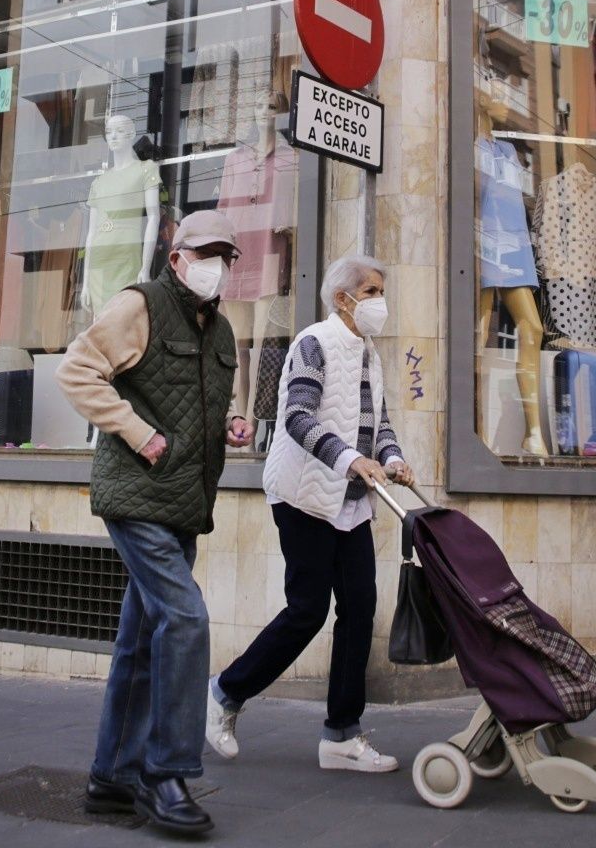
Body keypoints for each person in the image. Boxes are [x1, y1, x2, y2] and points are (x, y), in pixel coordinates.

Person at [58, 209, 255, 836]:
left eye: (225, 255)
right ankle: (164, 774)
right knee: (185, 617)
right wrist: (141, 436)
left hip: (184, 504)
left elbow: (194, 402)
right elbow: (76, 371)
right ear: (176, 257)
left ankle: (111, 777)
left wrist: (229, 425)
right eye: (204, 253)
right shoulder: (138, 305)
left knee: (142, 639)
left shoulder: (221, 331)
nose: (214, 265)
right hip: (137, 495)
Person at [205, 255, 415, 773]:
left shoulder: (370, 354)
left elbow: (377, 421)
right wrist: (351, 459)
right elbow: (296, 417)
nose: (378, 302)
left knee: (360, 608)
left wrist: (391, 458)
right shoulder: (313, 343)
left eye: (379, 291)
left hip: (348, 501)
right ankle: (225, 693)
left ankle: (341, 736)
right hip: (301, 495)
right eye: (370, 291)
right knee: (307, 609)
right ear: (342, 298)